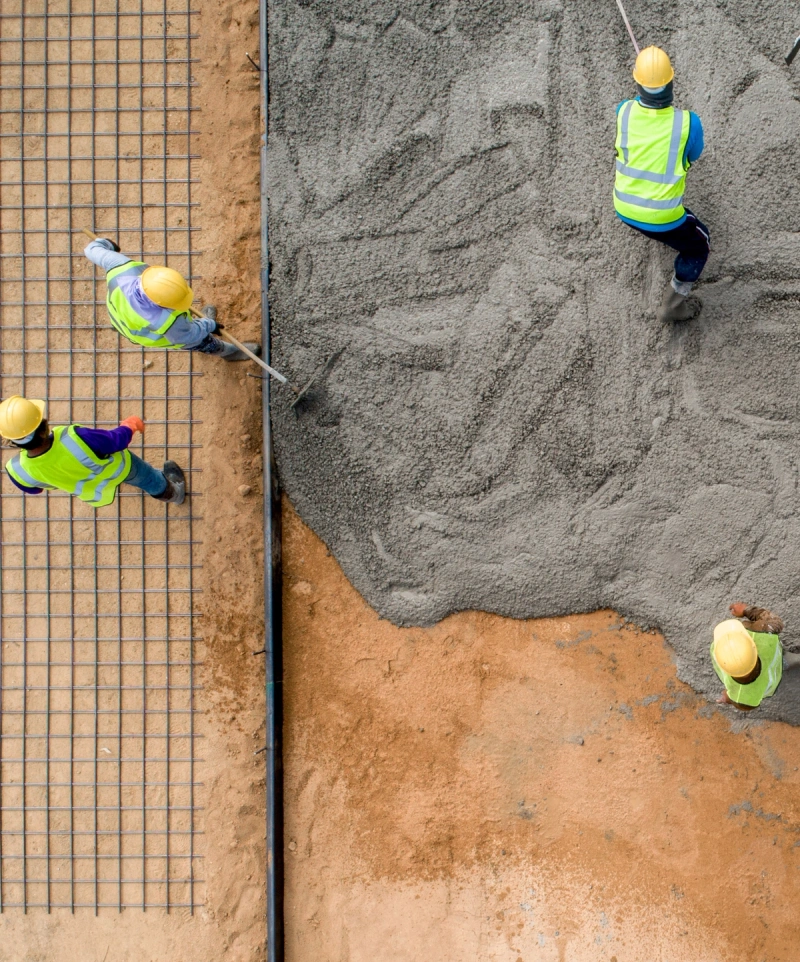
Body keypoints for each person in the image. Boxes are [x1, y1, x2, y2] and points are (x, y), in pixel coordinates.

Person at [614, 45, 710, 323]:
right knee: (699, 245)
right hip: (664, 216)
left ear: (637, 82)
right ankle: (672, 306)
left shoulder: (624, 111)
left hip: (623, 207)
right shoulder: (688, 123)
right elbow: (693, 155)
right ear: (671, 81)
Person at [83, 237, 261, 360]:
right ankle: (227, 352)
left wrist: (105, 243)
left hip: (120, 314)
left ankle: (204, 327)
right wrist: (209, 325)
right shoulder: (167, 322)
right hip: (144, 332)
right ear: (160, 304)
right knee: (200, 341)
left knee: (191, 327)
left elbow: (91, 249)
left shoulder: (121, 267)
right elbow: (188, 336)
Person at [0, 395, 185, 507]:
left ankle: (170, 494)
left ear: (12, 441)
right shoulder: (74, 438)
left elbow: (35, 489)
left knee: (127, 479)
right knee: (147, 478)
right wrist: (130, 425)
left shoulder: (16, 470)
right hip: (122, 469)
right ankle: (175, 494)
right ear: (44, 428)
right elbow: (116, 441)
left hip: (93, 488)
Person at [710, 603, 800, 712]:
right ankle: (789, 660)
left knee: (781, 666)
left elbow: (746, 704)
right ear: (753, 647)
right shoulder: (762, 634)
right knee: (786, 660)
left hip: (771, 682)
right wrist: (746, 610)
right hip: (775, 658)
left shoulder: (718, 652)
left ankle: (787, 663)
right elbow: (775, 622)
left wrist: (730, 698)